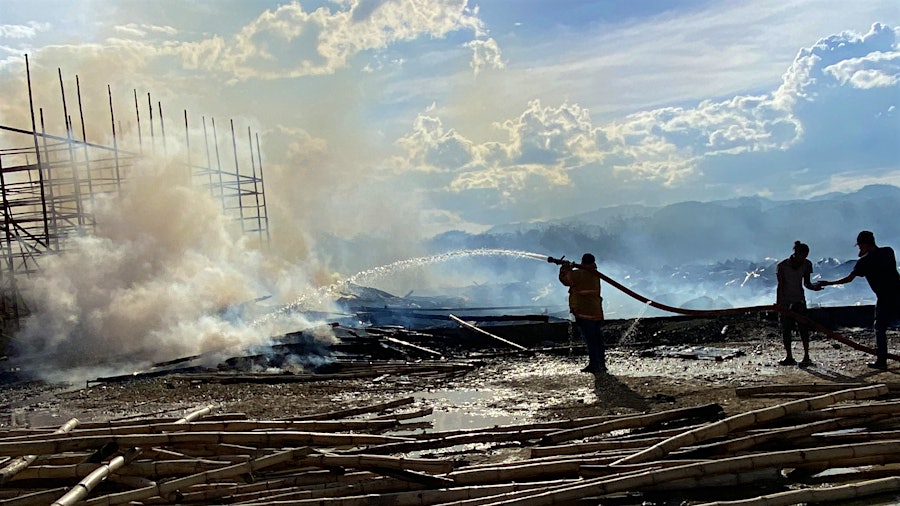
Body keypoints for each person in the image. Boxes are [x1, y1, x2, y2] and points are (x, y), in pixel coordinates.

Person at [817, 230, 900, 370]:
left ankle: (882, 361)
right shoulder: (888, 252)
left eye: (860, 246)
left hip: (885, 298)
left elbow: (849, 279)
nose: (859, 249)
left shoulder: (865, 262)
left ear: (865, 245)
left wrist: (827, 283)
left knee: (880, 328)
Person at [558, 253, 606, 374]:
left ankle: (595, 365)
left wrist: (565, 267)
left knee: (591, 340)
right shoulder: (595, 274)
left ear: (582, 262)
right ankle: (601, 364)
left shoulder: (580, 274)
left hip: (584, 312)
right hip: (596, 311)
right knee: (597, 340)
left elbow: (565, 279)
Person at [775, 240, 821, 368]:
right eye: (802, 256)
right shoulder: (782, 266)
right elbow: (781, 286)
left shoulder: (806, 264)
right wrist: (779, 304)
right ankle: (789, 356)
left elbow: (806, 283)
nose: (803, 259)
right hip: (786, 302)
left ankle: (806, 356)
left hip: (799, 300)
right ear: (796, 253)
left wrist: (814, 287)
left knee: (803, 329)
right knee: (786, 330)